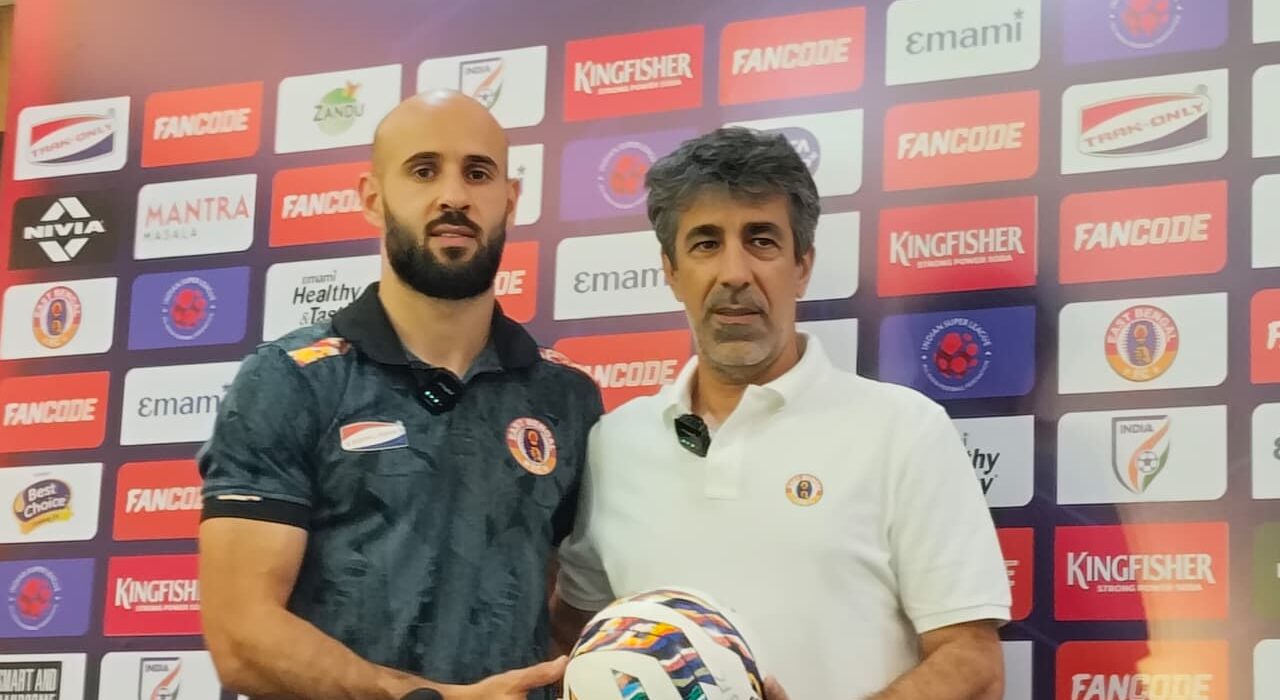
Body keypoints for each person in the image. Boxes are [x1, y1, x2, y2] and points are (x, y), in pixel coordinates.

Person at [551, 127, 1011, 700]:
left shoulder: (904, 429)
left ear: (802, 266)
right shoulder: (614, 443)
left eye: (761, 241)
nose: (735, 273)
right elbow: (578, 633)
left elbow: (973, 663)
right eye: (705, 243)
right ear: (670, 271)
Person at [197, 90, 603, 700]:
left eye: (478, 173)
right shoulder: (289, 379)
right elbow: (241, 639)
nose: (454, 196)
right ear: (372, 198)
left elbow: (568, 612)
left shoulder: (566, 397)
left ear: (510, 200)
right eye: (423, 170)